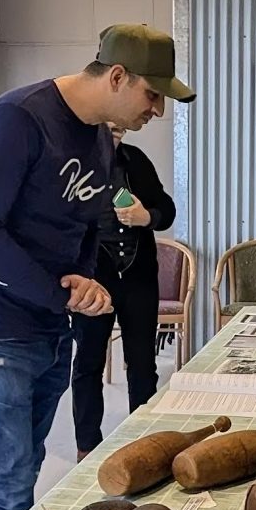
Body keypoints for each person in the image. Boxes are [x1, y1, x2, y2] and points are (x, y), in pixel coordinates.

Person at [0, 23, 195, 510]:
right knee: (4, 484)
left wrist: (82, 280)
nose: (158, 111)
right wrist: (62, 296)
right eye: (153, 96)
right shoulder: (16, 122)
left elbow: (82, 228)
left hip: (49, 328)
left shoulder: (100, 138)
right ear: (118, 77)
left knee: (24, 470)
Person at [70, 124, 176, 458]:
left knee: (143, 363)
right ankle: (87, 447)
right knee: (88, 362)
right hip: (92, 278)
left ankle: (142, 443)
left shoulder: (137, 161)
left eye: (119, 126)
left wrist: (148, 217)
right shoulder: (71, 166)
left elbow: (167, 211)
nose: (116, 129)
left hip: (139, 277)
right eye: (108, 123)